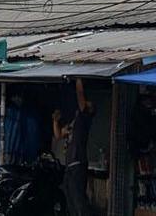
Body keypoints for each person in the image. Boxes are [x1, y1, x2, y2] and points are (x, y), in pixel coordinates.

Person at [64, 79, 94, 216]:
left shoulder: (84, 119)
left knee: (78, 199)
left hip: (77, 163)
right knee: (70, 198)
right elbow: (59, 134)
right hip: (70, 164)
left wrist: (79, 80)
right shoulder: (73, 123)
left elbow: (81, 96)